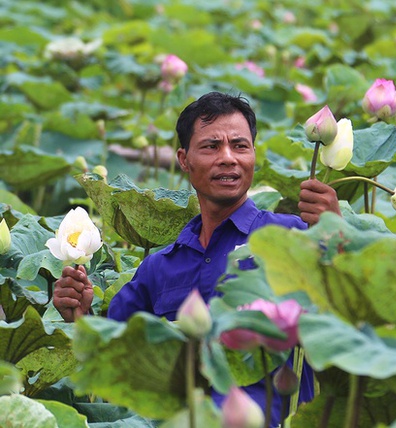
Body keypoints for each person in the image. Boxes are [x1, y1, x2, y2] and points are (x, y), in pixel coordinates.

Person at [53, 91, 341, 427]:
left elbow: (348, 314)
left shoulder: (294, 236)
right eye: (211, 146)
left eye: (240, 146)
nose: (228, 158)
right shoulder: (158, 267)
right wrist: (81, 315)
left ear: (254, 156)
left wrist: (335, 236)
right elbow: (112, 352)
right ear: (183, 159)